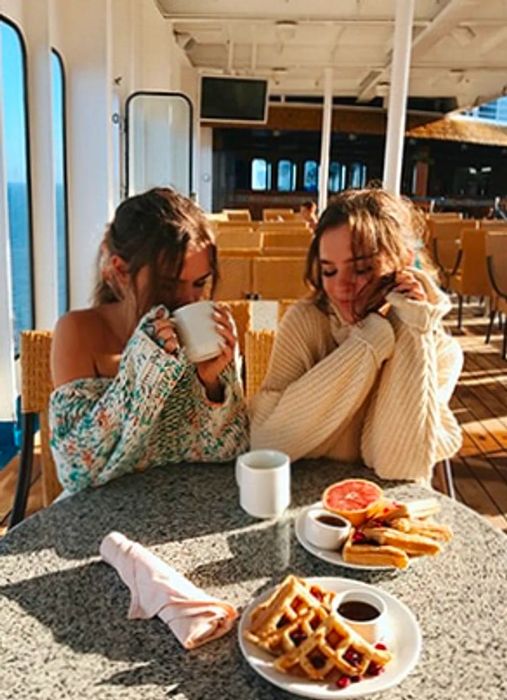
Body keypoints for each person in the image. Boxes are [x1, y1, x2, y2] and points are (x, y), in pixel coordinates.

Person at [250, 188, 463, 483]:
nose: (341, 287)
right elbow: (267, 440)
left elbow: (396, 465)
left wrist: (412, 327)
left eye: (361, 268)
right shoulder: (306, 321)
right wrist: (369, 341)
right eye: (329, 271)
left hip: (388, 512)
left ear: (403, 261)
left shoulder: (440, 350)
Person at [50, 187, 248, 494]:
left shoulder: (203, 336)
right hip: (95, 516)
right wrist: (141, 370)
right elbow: (76, 470)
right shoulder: (78, 331)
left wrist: (212, 384)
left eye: (199, 283)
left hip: (186, 506)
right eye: (169, 285)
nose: (187, 300)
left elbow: (230, 450)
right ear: (120, 270)